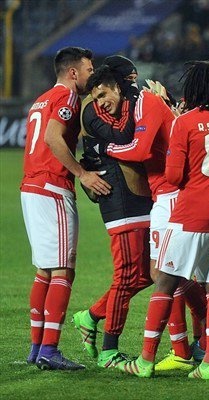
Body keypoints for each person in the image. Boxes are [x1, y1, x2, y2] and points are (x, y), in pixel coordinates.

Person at [118, 60, 209, 379]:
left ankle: (145, 361)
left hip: (191, 214)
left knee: (164, 280)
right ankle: (208, 364)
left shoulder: (185, 122)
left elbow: (173, 177)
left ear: (194, 88)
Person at [21, 46, 103, 370]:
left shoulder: (42, 99)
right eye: (88, 68)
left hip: (31, 187)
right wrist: (82, 173)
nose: (91, 73)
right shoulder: (68, 98)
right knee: (63, 270)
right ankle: (50, 350)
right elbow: (54, 138)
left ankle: (36, 346)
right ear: (73, 73)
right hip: (53, 188)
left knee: (44, 269)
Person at [75, 59, 154, 368]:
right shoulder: (93, 108)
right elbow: (122, 137)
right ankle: (109, 350)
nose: (134, 85)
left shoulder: (125, 101)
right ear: (117, 83)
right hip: (116, 196)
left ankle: (91, 315)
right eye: (130, 81)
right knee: (125, 275)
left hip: (137, 191)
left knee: (149, 274)